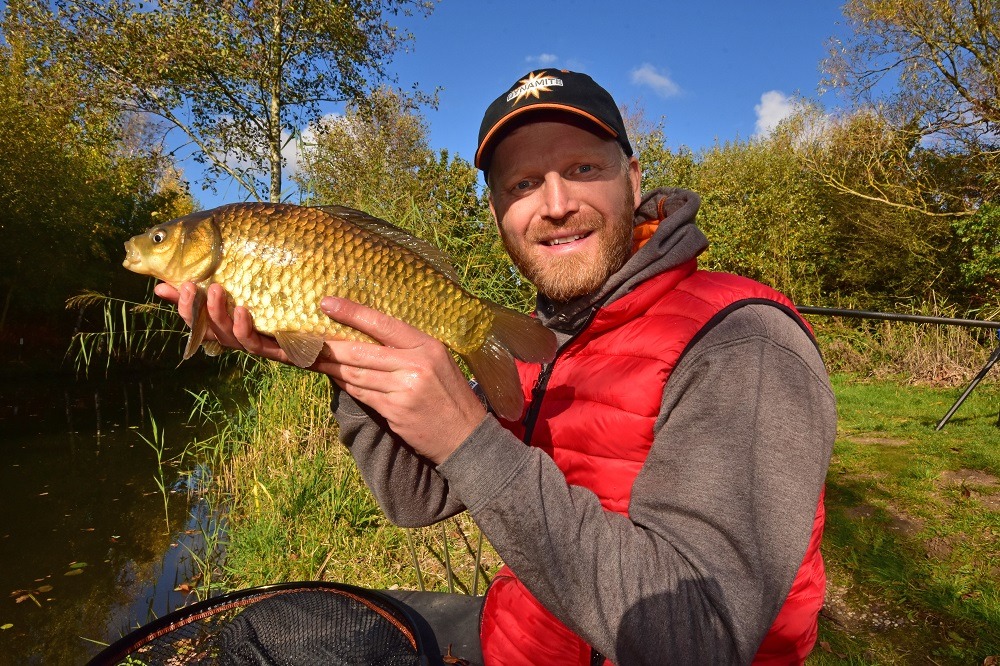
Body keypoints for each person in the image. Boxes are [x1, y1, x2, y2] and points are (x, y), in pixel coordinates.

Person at [155, 68, 836, 665]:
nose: (556, 203)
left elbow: (697, 643)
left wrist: (468, 440)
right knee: (286, 630)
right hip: (522, 637)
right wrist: (345, 359)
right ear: (497, 210)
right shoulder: (548, 337)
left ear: (633, 179)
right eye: (522, 182)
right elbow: (416, 497)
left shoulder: (741, 343)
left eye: (583, 170)